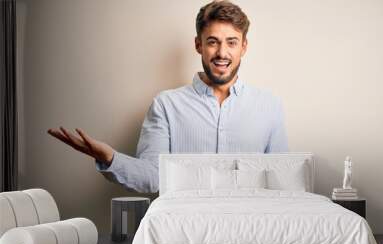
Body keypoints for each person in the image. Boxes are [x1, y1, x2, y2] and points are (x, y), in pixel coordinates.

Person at [48, 0, 289, 193]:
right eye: (213, 42)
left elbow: (282, 183)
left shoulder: (269, 106)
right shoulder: (166, 105)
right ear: (198, 45)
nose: (222, 53)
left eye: (232, 43)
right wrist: (110, 158)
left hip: (250, 234)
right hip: (183, 236)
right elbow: (154, 177)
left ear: (244, 47)